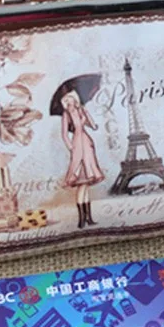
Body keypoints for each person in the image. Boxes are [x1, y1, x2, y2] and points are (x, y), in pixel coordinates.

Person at [60, 90, 104, 228]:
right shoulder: (66, 114)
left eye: (71, 99)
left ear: (75, 99)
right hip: (77, 143)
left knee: (85, 185)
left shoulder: (81, 110)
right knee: (81, 182)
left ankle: (88, 218)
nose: (69, 102)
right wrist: (71, 147)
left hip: (86, 142)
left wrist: (86, 114)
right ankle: (81, 219)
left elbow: (93, 125)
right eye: (66, 100)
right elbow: (64, 134)